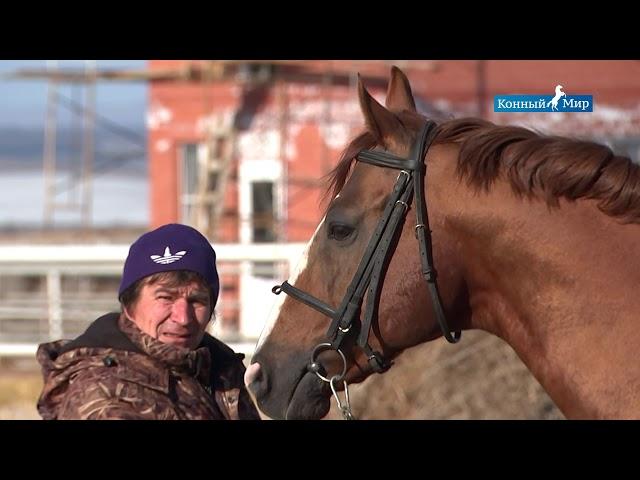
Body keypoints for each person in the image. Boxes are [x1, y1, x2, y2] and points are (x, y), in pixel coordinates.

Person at [36, 223, 261, 420]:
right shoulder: (103, 395)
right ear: (129, 304)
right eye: (165, 298)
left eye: (197, 300)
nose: (183, 318)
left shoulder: (218, 370)